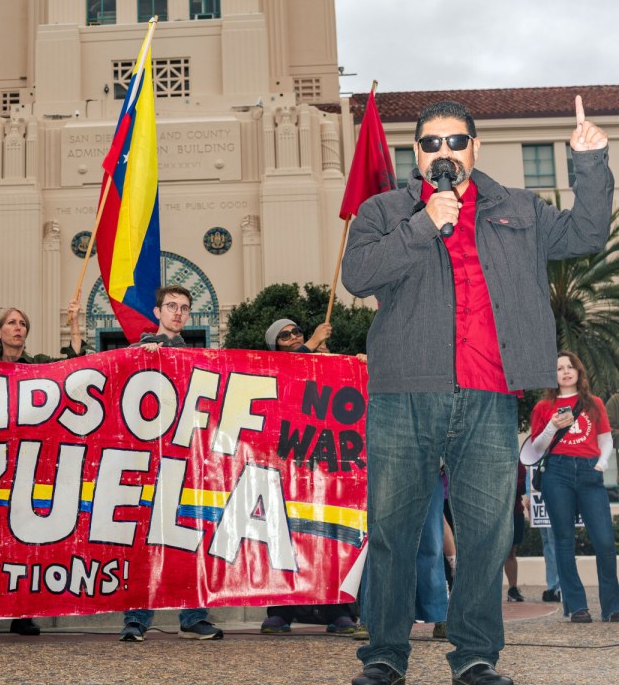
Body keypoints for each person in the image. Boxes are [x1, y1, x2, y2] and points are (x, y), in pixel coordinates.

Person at [341, 97, 612, 685]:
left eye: (455, 142)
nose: (445, 153)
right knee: (392, 530)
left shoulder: (519, 209)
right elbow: (358, 276)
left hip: (489, 395)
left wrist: (590, 164)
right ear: (417, 154)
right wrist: (423, 224)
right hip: (404, 393)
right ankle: (385, 655)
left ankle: (475, 657)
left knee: (488, 534)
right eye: (432, 144)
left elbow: (589, 231)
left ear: (475, 148)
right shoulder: (385, 211)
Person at [0, 300, 83, 638]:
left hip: (25, 464)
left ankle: (22, 614)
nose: (18, 327)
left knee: (21, 541)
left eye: (22, 323)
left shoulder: (37, 366)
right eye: (11, 322)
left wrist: (74, 324)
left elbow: (73, 366)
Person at [118, 285, 223, 643]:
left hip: (186, 460)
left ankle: (193, 617)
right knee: (142, 543)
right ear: (158, 311)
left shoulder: (198, 358)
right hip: (146, 462)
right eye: (171, 306)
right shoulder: (136, 351)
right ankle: (136, 619)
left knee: (191, 538)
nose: (178, 313)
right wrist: (141, 359)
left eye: (184, 308)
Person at [260, 317, 357, 634]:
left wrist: (329, 358)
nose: (292, 337)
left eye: (296, 332)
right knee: (285, 539)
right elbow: (285, 372)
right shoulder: (273, 367)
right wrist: (311, 343)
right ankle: (280, 611)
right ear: (273, 347)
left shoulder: (328, 365)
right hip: (288, 468)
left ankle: (337, 609)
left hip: (327, 467)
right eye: (283, 336)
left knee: (331, 539)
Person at [528, 351, 618, 623]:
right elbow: (536, 449)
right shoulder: (543, 407)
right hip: (558, 471)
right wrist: (552, 427)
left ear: (579, 371)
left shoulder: (594, 404)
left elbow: (605, 439)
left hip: (590, 472)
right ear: (552, 375)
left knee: (604, 541)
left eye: (570, 367)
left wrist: (602, 463)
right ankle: (577, 606)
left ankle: (612, 606)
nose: (565, 372)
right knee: (563, 540)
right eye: (559, 368)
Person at [504, 462, 527, 604]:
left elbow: (521, 487)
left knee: (511, 551)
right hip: (493, 513)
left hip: (514, 512)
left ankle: (513, 588)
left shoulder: (517, 463)